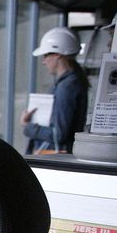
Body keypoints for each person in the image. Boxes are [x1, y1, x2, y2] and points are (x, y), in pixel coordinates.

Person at [22, 26, 89, 154]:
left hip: (55, 155)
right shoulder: (71, 82)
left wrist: (27, 126)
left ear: (57, 54)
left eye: (46, 55)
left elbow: (58, 135)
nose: (44, 62)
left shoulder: (67, 86)